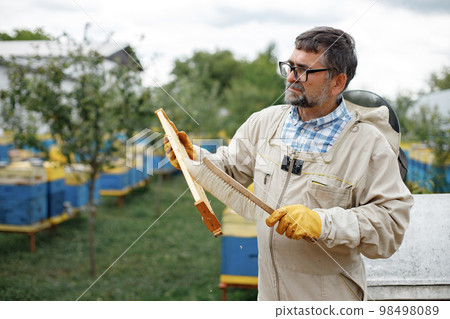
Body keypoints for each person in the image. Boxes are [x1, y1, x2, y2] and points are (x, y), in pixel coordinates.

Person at [164, 26, 413, 301]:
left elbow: (391, 225)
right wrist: (193, 157)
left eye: (305, 70)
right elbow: (231, 169)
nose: (292, 77)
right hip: (269, 297)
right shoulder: (265, 122)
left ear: (337, 83)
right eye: (290, 66)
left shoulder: (369, 145)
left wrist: (321, 223)